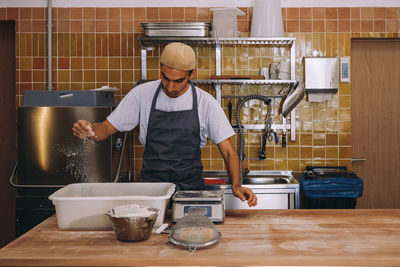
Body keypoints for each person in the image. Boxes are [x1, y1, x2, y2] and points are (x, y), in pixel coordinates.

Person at [72, 42, 257, 207]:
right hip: (151, 191)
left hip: (191, 191)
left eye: (178, 81)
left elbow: (228, 151)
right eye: (165, 78)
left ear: (192, 73)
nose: (170, 87)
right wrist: (89, 130)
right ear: (160, 68)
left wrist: (236, 185)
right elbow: (105, 129)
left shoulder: (205, 102)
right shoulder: (141, 95)